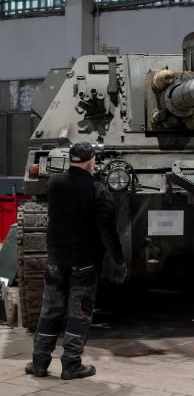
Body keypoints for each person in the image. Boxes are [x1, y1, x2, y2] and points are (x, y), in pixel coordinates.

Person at [25, 142, 127, 380]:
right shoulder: (98, 190)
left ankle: (39, 362)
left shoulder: (54, 183)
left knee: (51, 309)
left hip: (56, 259)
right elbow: (107, 232)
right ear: (91, 162)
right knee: (79, 312)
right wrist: (119, 260)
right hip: (84, 262)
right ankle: (71, 364)